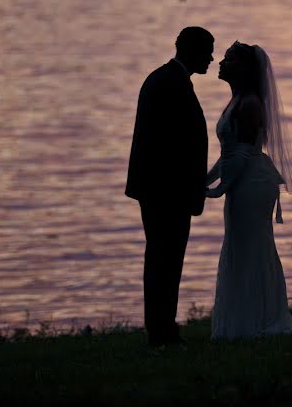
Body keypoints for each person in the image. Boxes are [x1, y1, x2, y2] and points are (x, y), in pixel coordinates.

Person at [206, 40, 292, 339]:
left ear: (244, 69)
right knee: (240, 247)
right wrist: (206, 180)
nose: (221, 62)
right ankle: (245, 319)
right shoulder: (237, 99)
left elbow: (243, 154)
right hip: (242, 179)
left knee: (251, 248)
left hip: (251, 184)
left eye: (229, 59)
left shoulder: (249, 104)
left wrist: (217, 188)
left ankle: (257, 319)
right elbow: (229, 154)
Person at [125, 26, 214, 346]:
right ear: (192, 50)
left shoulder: (163, 79)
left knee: (162, 258)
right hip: (166, 192)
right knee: (166, 258)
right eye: (208, 51)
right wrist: (188, 188)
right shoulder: (171, 83)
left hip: (160, 189)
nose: (212, 59)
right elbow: (171, 145)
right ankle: (161, 331)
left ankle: (162, 327)